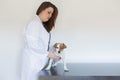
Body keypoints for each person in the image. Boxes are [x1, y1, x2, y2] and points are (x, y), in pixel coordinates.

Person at [21, 1, 60, 80]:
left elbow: (42, 43)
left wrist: (52, 47)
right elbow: (33, 45)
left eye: (51, 14)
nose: (50, 15)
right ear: (41, 9)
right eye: (48, 12)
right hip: (32, 64)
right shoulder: (34, 23)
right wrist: (49, 54)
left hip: (37, 64)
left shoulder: (40, 24)